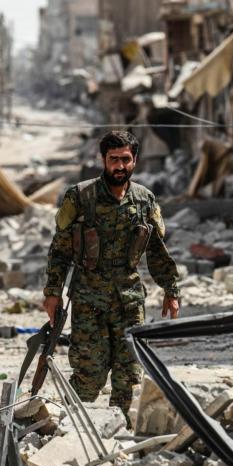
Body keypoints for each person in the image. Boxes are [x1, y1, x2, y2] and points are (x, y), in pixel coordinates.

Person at [42, 130, 180, 420]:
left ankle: (120, 429)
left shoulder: (144, 199)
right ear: (103, 160)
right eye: (113, 159)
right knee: (89, 373)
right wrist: (52, 293)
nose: (119, 166)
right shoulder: (80, 197)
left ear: (135, 161)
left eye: (125, 160)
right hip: (89, 299)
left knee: (129, 372)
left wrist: (171, 290)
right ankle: (74, 429)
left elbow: (156, 250)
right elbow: (60, 250)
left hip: (129, 300)